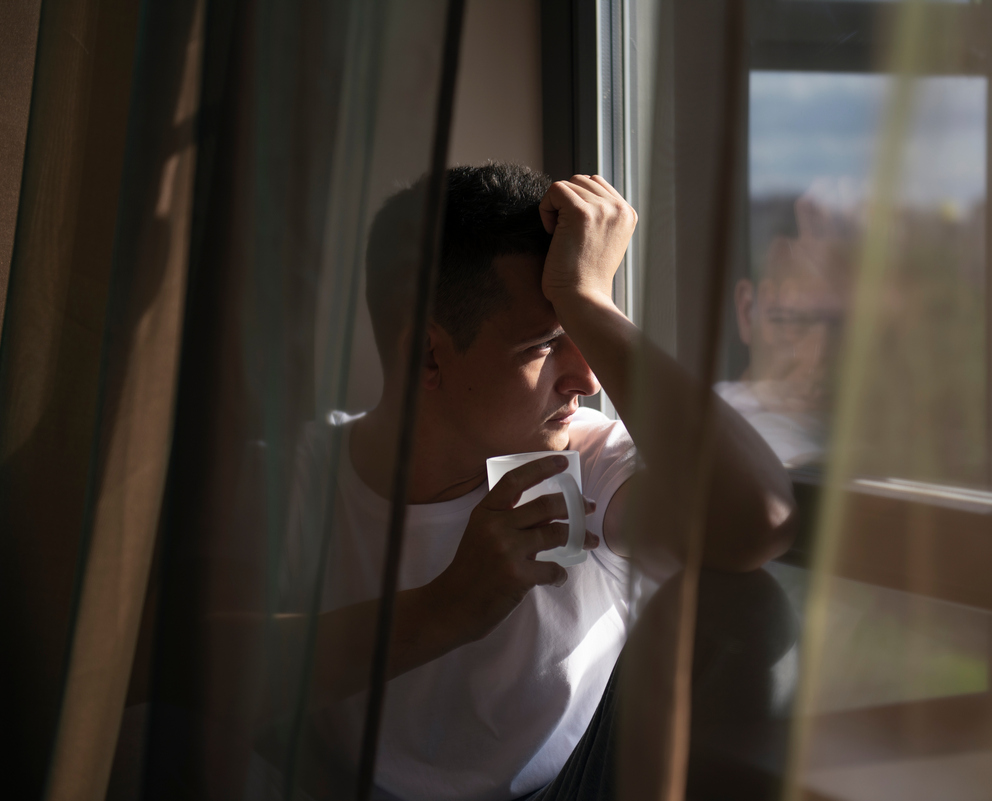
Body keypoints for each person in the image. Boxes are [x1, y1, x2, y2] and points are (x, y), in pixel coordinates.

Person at [273, 163, 797, 801]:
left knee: (749, 608)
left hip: (568, 786)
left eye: (590, 339)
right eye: (548, 343)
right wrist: (445, 610)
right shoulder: (298, 479)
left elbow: (758, 520)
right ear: (428, 356)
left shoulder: (586, 462)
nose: (589, 380)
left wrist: (589, 301)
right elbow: (189, 666)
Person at [719, 191, 856, 467]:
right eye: (795, 320)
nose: (817, 356)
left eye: (842, 327)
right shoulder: (719, 428)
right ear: (747, 312)